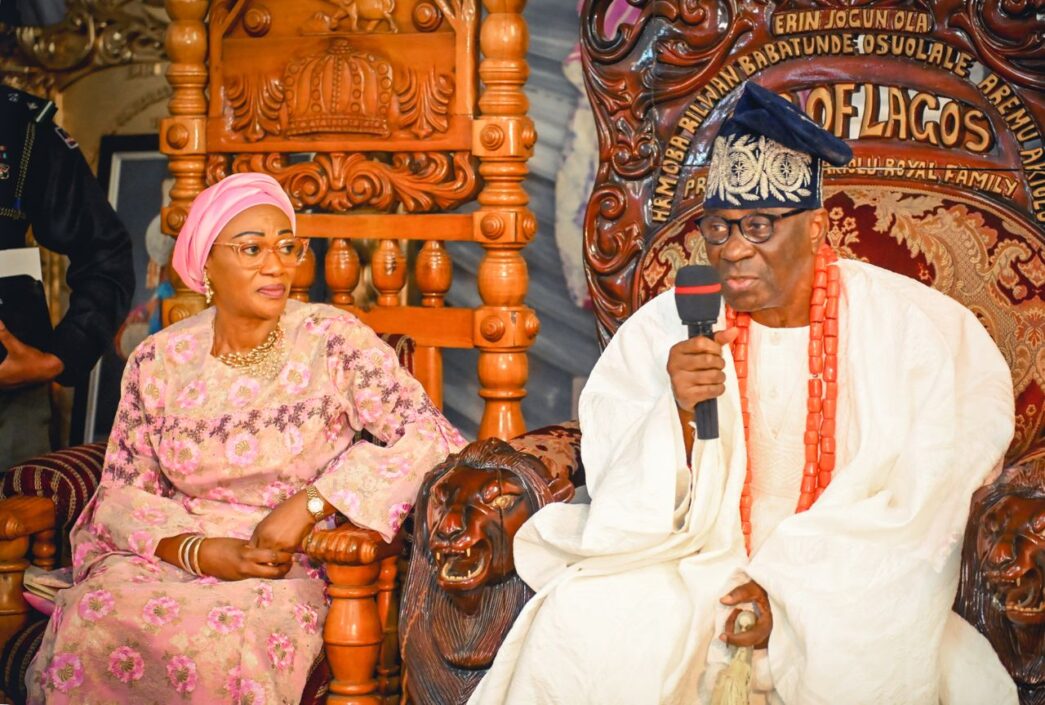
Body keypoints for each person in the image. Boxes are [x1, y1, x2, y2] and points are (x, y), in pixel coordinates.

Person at [468, 82, 1018, 704]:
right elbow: (624, 494)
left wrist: (790, 589)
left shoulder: (908, 328)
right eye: (719, 227)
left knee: (867, 659)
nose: (732, 249)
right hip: (691, 560)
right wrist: (673, 412)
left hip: (848, 574)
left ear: (814, 229)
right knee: (585, 622)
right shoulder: (665, 327)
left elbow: (932, 487)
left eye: (758, 226)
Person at [26, 172, 466, 703]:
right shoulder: (159, 360)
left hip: (285, 566)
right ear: (205, 261)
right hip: (171, 556)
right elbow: (122, 493)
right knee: (94, 616)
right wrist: (198, 552)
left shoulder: (333, 341)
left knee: (232, 636)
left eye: (287, 246)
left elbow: (431, 436)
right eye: (252, 248)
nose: (277, 264)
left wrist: (309, 505)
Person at [0, 85, 134, 466]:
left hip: (9, 408)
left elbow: (105, 252)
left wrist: (61, 357)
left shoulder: (21, 128)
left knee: (18, 518)